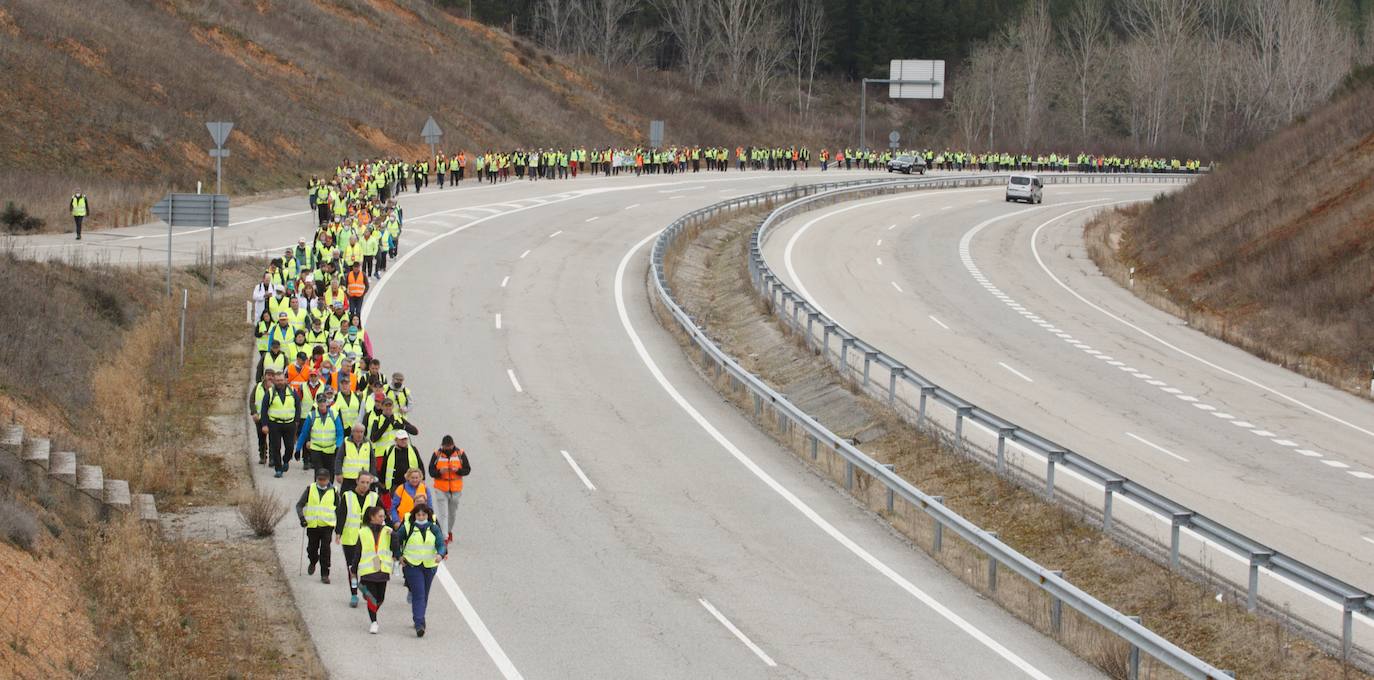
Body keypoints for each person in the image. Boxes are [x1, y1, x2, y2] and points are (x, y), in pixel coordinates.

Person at [394, 503, 447, 637]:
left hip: (429, 566)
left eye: (424, 515)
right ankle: (419, 624)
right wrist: (399, 556)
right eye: (419, 514)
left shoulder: (434, 528)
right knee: (419, 594)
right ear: (415, 515)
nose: (422, 517)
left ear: (428, 515)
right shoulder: (408, 527)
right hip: (412, 565)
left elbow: (441, 543)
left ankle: (419, 617)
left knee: (425, 594)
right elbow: (396, 541)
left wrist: (440, 554)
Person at [336, 472, 378, 608]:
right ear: (357, 481)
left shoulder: (374, 497)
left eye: (368, 483)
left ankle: (366, 589)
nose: (365, 485)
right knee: (352, 569)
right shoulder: (347, 496)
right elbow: (342, 515)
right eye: (363, 482)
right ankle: (354, 594)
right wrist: (338, 532)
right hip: (350, 538)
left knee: (369, 567)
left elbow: (383, 516)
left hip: (368, 539)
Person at [295, 468, 337, 583]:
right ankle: (313, 561)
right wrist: (302, 518)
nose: (322, 482)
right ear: (316, 479)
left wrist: (339, 527)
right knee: (311, 548)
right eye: (320, 479)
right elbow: (299, 505)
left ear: (329, 479)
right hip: (312, 525)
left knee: (325, 550)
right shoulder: (310, 489)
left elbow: (339, 509)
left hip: (327, 525)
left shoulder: (334, 491)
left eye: (324, 480)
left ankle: (325, 574)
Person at [357, 505, 393, 634]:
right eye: (380, 516)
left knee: (380, 598)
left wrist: (393, 535)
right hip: (368, 570)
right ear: (372, 517)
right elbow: (358, 551)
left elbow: (395, 546)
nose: (383, 518)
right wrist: (354, 569)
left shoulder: (388, 530)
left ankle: (365, 592)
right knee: (372, 598)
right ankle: (374, 621)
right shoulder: (363, 532)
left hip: (382, 569)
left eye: (384, 516)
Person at [428, 435, 470, 544]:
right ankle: (444, 536)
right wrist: (439, 472)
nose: (447, 448)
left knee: (452, 513)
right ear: (442, 445)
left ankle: (449, 531)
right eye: (445, 446)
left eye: (449, 446)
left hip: (456, 489)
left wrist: (458, 470)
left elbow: (467, 469)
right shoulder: (437, 455)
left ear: (453, 444)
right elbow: (431, 471)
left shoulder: (460, 454)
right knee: (443, 513)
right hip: (441, 488)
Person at [259, 371, 301, 478]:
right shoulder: (270, 393)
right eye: (277, 380)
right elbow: (264, 409)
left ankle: (286, 460)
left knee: (290, 446)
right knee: (275, 447)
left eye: (281, 380)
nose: (280, 382)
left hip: (289, 424)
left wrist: (296, 420)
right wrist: (264, 425)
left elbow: (298, 406)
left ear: (285, 380)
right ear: (274, 381)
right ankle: (278, 469)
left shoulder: (292, 391)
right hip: (275, 424)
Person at [295, 397, 344, 474]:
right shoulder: (312, 415)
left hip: (330, 449)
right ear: (316, 403)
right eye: (320, 402)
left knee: (330, 473)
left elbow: (340, 433)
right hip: (316, 449)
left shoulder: (334, 414)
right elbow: (304, 433)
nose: (322, 404)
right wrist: (298, 449)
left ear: (327, 403)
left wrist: (338, 446)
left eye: (324, 401)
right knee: (319, 473)